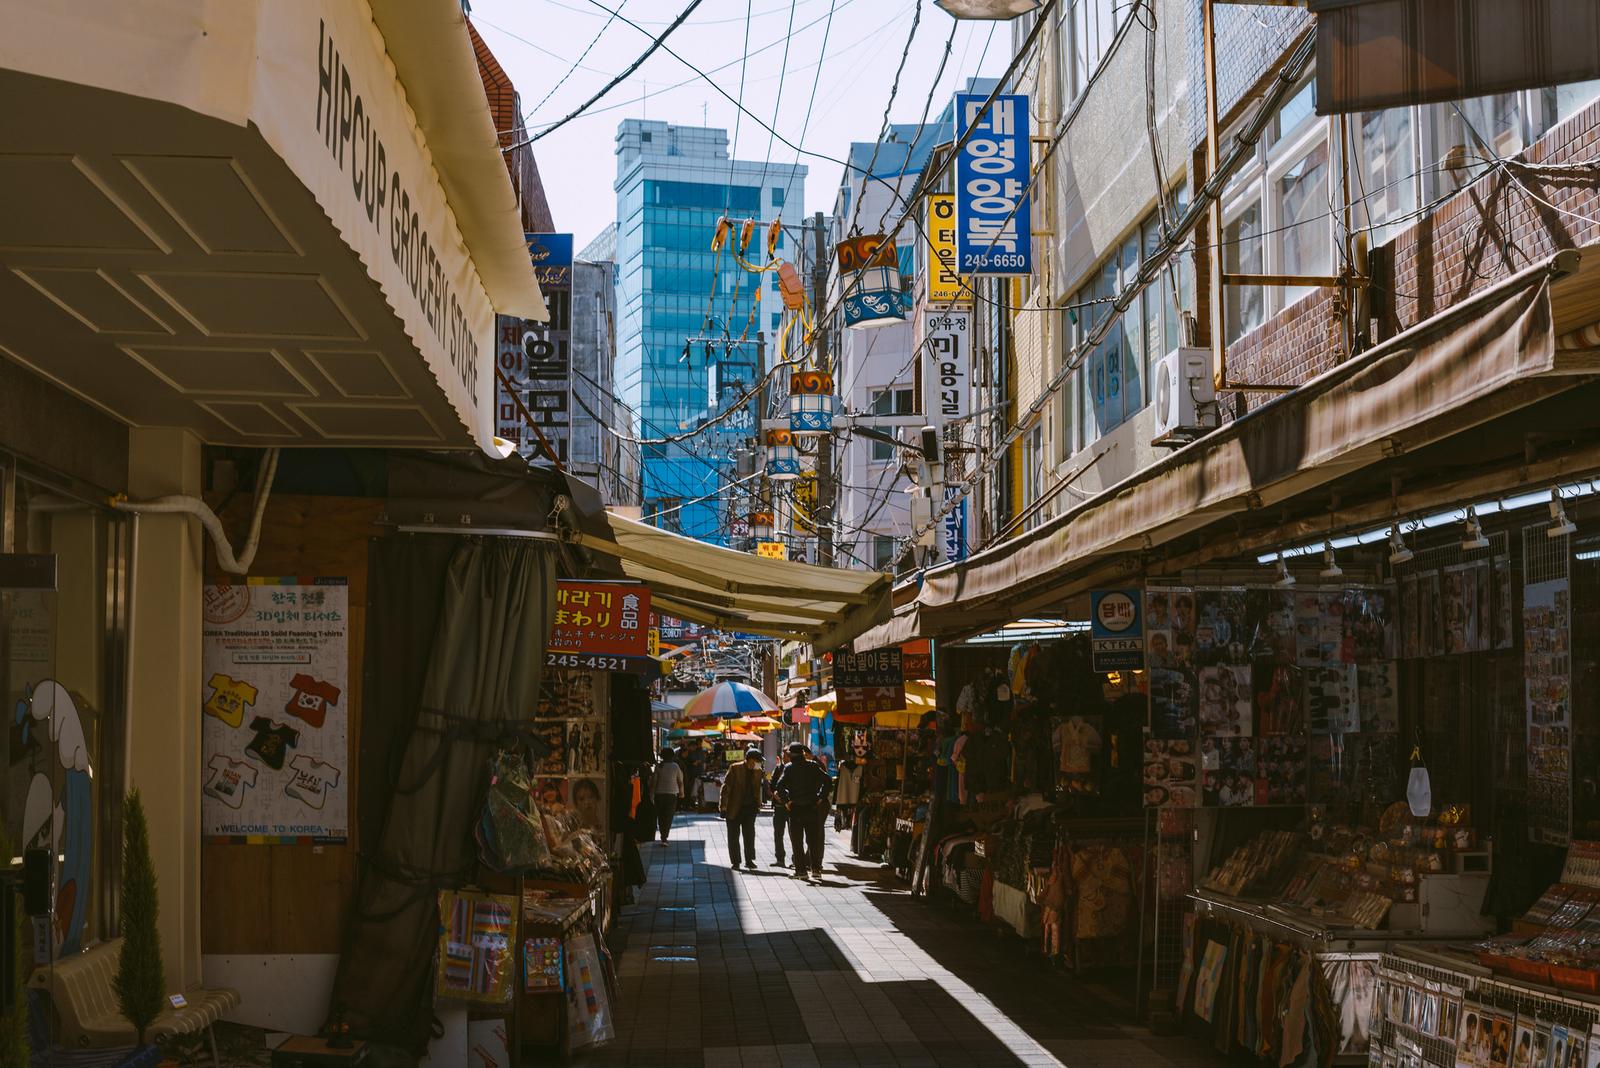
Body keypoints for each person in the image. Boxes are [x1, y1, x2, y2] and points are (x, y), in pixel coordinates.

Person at [776, 743, 830, 880]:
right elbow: (828, 781)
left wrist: (786, 801)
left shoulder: (789, 768)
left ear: (791, 754)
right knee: (813, 841)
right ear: (802, 753)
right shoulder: (813, 766)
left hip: (795, 809)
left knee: (797, 841)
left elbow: (779, 786)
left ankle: (801, 871)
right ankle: (816, 869)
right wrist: (820, 797)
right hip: (812, 807)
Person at [720, 747, 765, 871]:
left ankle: (749, 860)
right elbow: (726, 788)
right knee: (733, 836)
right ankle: (735, 861)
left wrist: (759, 803)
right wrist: (723, 806)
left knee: (749, 835)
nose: (758, 763)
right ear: (749, 760)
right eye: (757, 761)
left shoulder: (758, 771)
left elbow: (758, 789)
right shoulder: (735, 768)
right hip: (734, 807)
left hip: (750, 808)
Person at [650, 748, 685, 843]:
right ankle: (664, 836)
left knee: (661, 815)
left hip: (659, 794)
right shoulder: (675, 766)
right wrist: (682, 792)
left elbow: (654, 782)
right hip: (672, 794)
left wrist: (651, 794)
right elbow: (680, 781)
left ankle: (663, 835)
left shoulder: (659, 766)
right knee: (668, 816)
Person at [768, 750, 791, 867]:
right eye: (783, 756)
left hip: (791, 807)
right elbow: (772, 784)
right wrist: (774, 794)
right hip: (778, 806)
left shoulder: (793, 769)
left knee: (794, 835)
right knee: (778, 833)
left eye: (786, 756)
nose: (784, 758)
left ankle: (796, 859)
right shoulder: (778, 769)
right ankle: (780, 859)